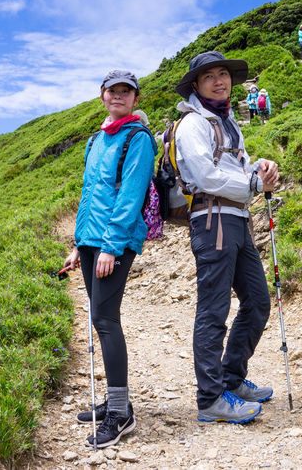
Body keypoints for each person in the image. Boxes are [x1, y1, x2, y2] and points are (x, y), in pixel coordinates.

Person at [172, 51, 280, 424]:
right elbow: (206, 177)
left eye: (224, 75)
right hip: (212, 221)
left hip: (237, 219)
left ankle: (231, 379)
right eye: (209, 77)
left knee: (258, 301)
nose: (220, 81)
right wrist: (251, 182)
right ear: (196, 86)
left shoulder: (228, 122)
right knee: (214, 311)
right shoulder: (192, 125)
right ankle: (210, 399)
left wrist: (259, 166)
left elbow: (235, 166)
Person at [60, 69, 157, 448]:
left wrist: (111, 246)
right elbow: (89, 195)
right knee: (101, 318)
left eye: (126, 91)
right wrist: (78, 243)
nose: (118, 96)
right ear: (102, 95)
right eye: (112, 90)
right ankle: (116, 402)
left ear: (135, 98)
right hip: (90, 241)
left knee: (105, 319)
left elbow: (131, 195)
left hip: (113, 242)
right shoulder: (96, 140)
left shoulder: (138, 139)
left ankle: (120, 414)